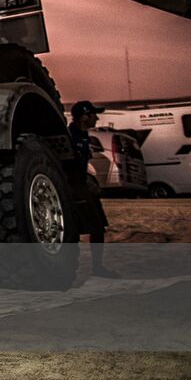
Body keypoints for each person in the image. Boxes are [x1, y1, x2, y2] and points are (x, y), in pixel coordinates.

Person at [68, 100, 117, 277]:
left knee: (97, 228)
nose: (96, 118)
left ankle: (97, 267)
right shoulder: (71, 136)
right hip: (75, 189)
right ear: (84, 116)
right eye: (93, 114)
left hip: (83, 186)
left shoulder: (82, 135)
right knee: (76, 229)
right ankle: (85, 268)